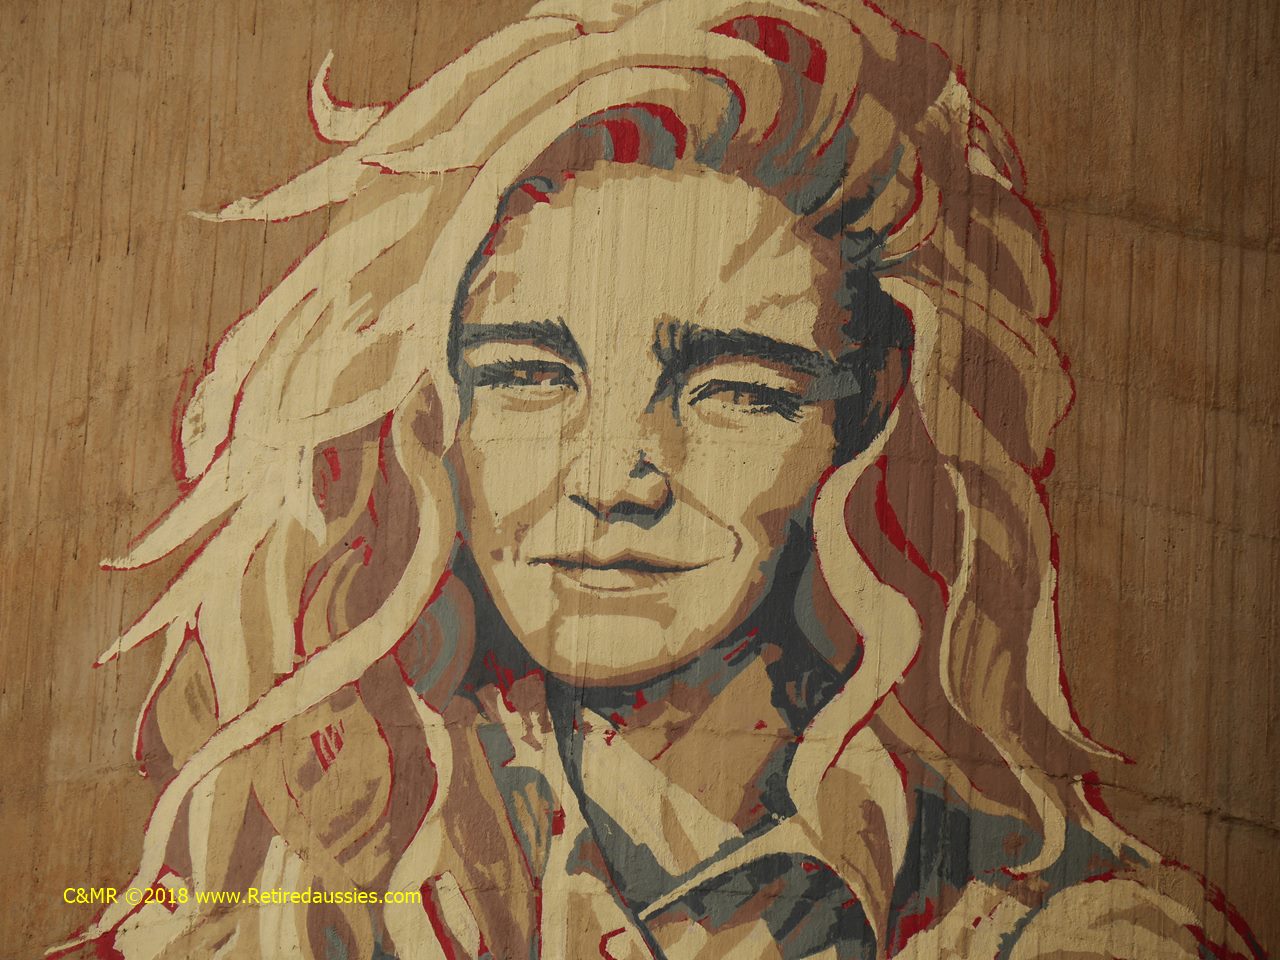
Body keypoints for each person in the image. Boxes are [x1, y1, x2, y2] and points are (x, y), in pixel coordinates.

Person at [54, 1, 1267, 958]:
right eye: (528, 375)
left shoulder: (1057, 930)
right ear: (429, 418)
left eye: (734, 389)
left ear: (864, 417)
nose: (614, 476)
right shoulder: (279, 893)